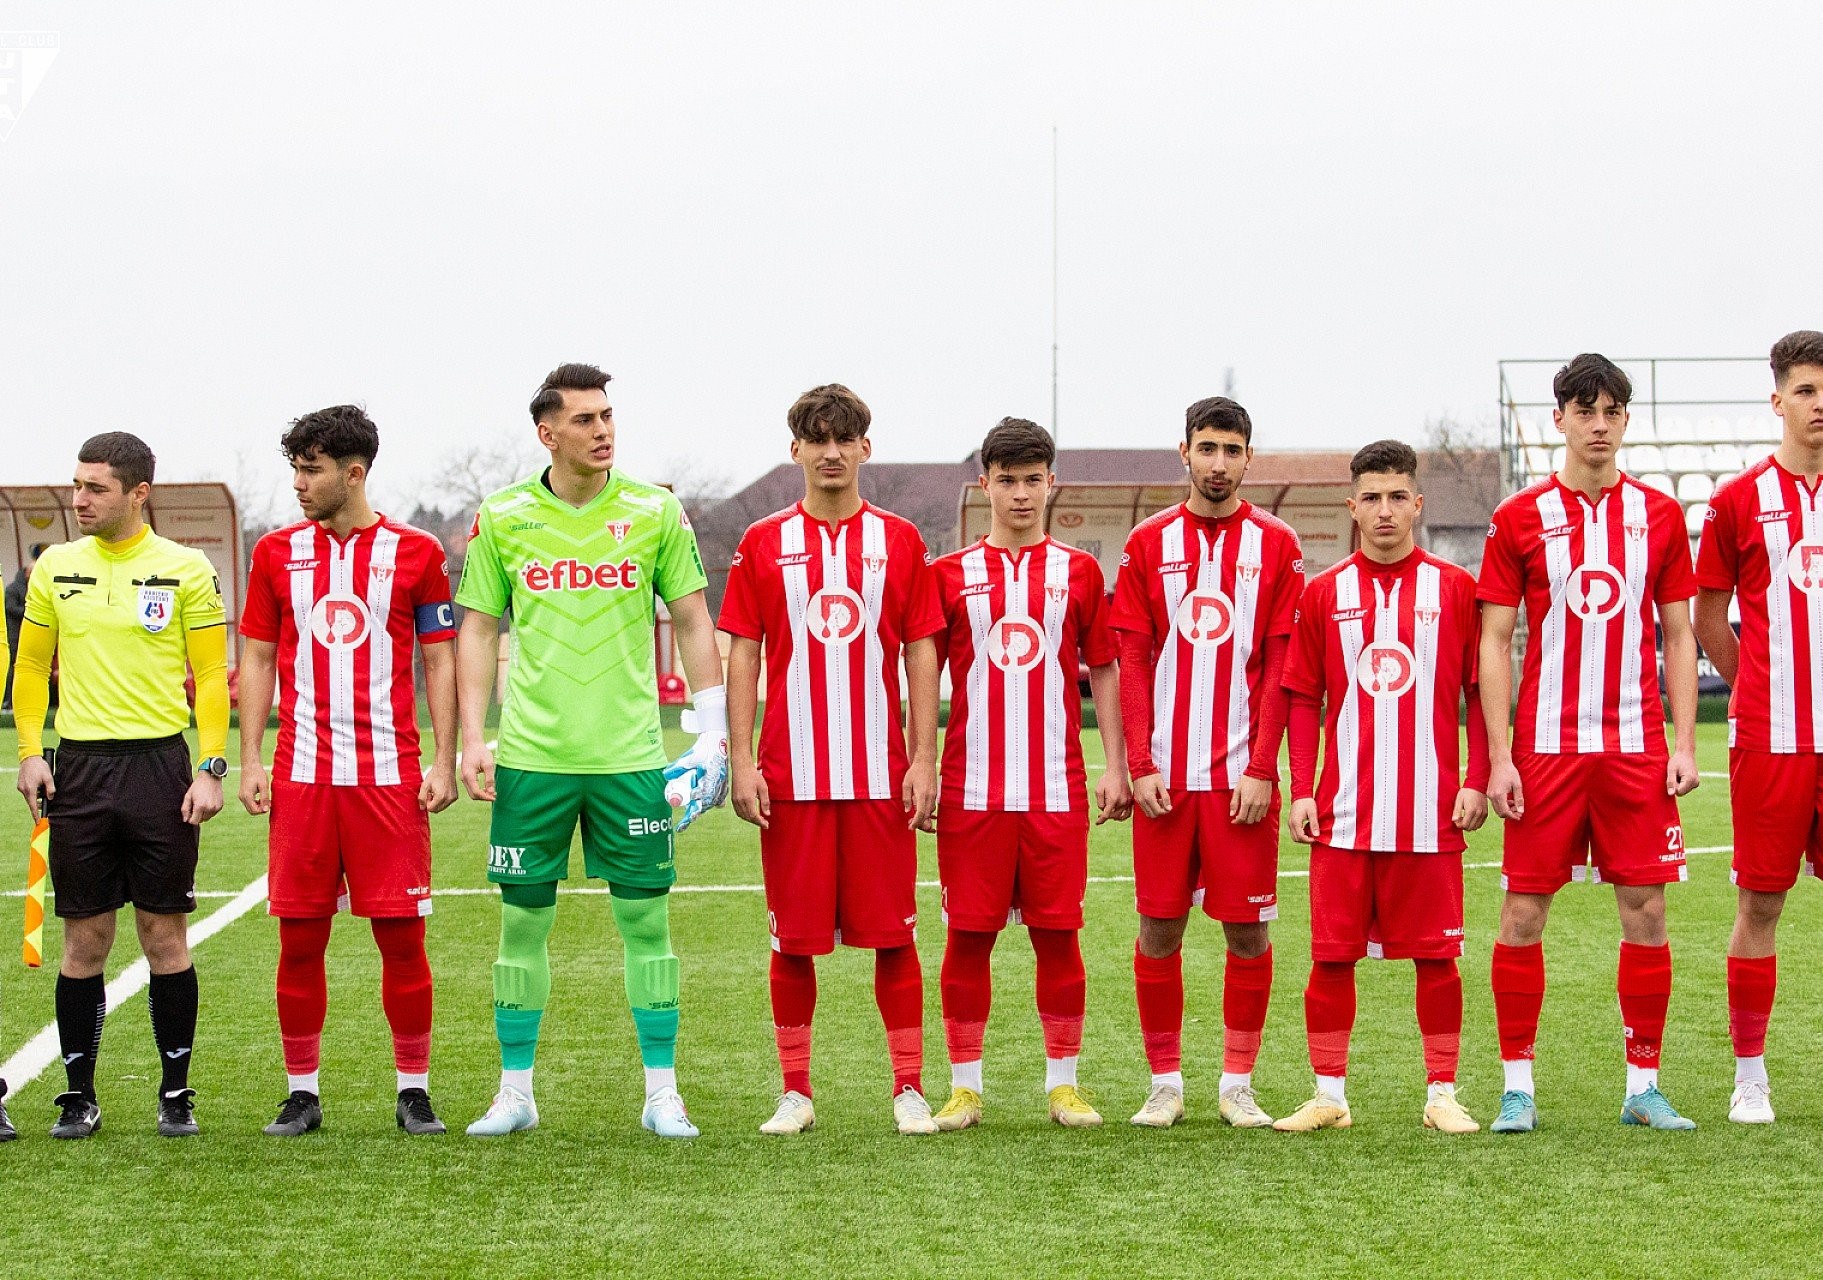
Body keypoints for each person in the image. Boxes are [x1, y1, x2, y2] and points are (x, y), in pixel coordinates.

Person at [456, 363, 727, 1140]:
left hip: (631, 760)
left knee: (646, 924)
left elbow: (693, 618)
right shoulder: (503, 516)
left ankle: (662, 1094)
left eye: (606, 415)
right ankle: (515, 1093)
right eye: (584, 419)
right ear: (547, 433)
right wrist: (472, 737)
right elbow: (478, 626)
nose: (602, 430)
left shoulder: (654, 511)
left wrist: (712, 731)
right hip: (531, 760)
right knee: (520, 927)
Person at [1480, 353, 1701, 1133]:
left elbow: (1678, 634)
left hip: (1636, 747)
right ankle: (1516, 1090)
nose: (1597, 425)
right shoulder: (1518, 517)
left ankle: (1643, 1087)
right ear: (1559, 420)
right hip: (1544, 748)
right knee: (1521, 915)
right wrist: (1499, 756)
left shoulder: (1660, 515)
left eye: (1610, 411)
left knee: (1646, 911)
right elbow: (1494, 640)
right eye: (1583, 411)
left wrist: (1682, 742)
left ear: (1625, 420)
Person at [721, 383, 944, 1136]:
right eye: (817, 439)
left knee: (895, 936)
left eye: (844, 438)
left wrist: (923, 757)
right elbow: (744, 654)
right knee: (792, 941)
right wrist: (743, 761)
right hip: (793, 776)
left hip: (881, 775)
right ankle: (796, 1093)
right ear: (795, 451)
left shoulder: (900, 540)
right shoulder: (762, 542)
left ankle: (908, 1088)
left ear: (864, 448)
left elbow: (921, 651)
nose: (831, 452)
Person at [238, 405, 459, 1137]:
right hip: (301, 777)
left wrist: (444, 758)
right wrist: (250, 759)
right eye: (296, 469)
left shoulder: (418, 552)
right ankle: (301, 1093)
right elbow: (258, 658)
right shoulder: (275, 554)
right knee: (300, 942)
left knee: (402, 941)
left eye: (312, 470)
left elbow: (438, 660)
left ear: (354, 473)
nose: (299, 484)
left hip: (388, 777)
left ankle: (413, 1091)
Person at [13, 432, 229, 1139]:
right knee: (85, 942)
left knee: (165, 936)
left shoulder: (186, 567)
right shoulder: (55, 567)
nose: (79, 499)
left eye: (95, 488)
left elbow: (210, 678)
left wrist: (211, 766)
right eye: (77, 485)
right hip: (79, 771)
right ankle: (79, 1095)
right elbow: (30, 667)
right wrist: (30, 753)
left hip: (159, 770)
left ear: (139, 493)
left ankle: (176, 1093)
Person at [926, 418, 1132, 1132]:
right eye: (1007, 480)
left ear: (1052, 484)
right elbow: (921, 674)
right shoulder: (948, 575)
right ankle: (964, 1088)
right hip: (970, 790)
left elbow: (1103, 668)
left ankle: (1063, 1085)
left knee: (1059, 938)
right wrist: (922, 764)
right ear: (984, 485)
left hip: (1055, 788)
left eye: (1032, 480)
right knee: (967, 940)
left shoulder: (1080, 573)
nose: (1020, 494)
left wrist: (1116, 764)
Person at [1277, 439, 1488, 1133]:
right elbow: (1302, 697)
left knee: (1438, 959)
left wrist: (1477, 777)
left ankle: (1442, 1095)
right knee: (1330, 958)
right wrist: (1300, 788)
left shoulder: (1454, 590)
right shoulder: (1322, 593)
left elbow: (1480, 692)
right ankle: (1328, 1096)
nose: (1385, 510)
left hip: (1430, 811)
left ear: (1417, 504)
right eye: (1371, 497)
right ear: (1352, 506)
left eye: (1397, 496)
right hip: (1342, 812)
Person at [1112, 396, 1302, 1129]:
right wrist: (1139, 762)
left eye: (1231, 450)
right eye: (1207, 448)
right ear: (1184, 452)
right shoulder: (1147, 543)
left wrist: (1262, 767)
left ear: (1248, 457)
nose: (1218, 463)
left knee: (1247, 933)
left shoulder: (1277, 544)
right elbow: (1132, 658)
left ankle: (1236, 1084)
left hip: (1238, 782)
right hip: (1165, 779)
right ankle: (1164, 1083)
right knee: (1158, 929)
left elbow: (1281, 664)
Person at [1694, 329, 1823, 1125]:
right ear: (1777, 400)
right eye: (1806, 390)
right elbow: (1707, 616)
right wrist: (1756, 687)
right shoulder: (1737, 500)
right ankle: (1749, 1075)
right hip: (1770, 739)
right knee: (1761, 906)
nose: (1819, 404)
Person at [5, 543, 44, 711]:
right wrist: (31, 612)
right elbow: (10, 608)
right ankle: (9, 701)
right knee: (13, 667)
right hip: (14, 635)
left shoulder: (34, 587)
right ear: (28, 573)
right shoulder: (13, 588)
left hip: (30, 634)